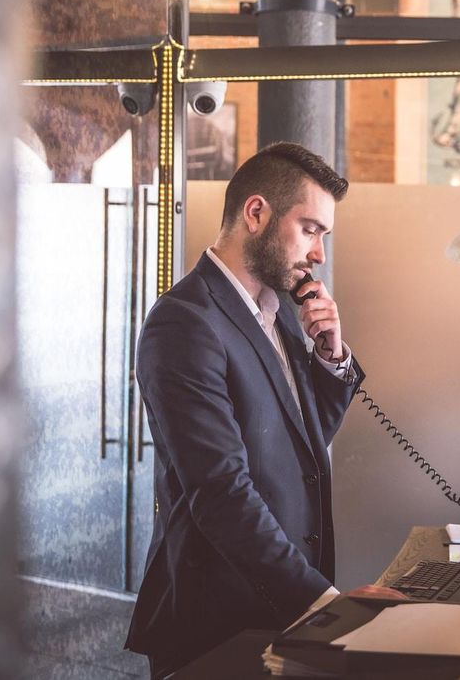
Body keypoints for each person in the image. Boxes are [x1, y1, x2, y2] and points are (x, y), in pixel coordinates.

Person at [125, 142, 371, 678]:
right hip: (217, 619)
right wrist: (325, 604)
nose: (319, 255)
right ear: (256, 213)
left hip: (278, 607)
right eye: (310, 229)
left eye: (323, 235)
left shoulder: (277, 311)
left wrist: (331, 358)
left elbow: (299, 448)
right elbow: (220, 491)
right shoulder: (185, 323)